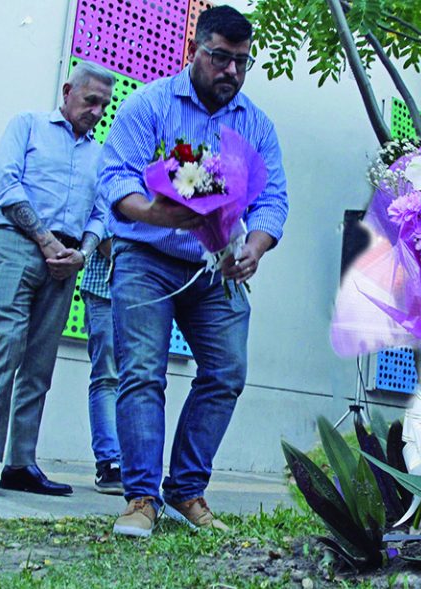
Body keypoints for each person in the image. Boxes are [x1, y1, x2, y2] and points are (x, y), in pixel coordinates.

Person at [97, 5, 288, 537]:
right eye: (221, 58)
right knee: (141, 372)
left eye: (241, 62)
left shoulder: (256, 124)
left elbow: (273, 198)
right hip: (145, 258)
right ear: (194, 50)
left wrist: (255, 245)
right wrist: (154, 211)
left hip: (216, 266)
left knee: (227, 372)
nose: (231, 71)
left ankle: (185, 488)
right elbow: (114, 178)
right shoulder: (149, 104)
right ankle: (140, 498)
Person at [0, 62, 115, 496]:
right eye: (90, 100)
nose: (96, 111)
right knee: (7, 347)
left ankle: (20, 463)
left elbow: (102, 212)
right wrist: (46, 240)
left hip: (67, 261)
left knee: (39, 365)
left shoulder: (100, 154)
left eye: (103, 106)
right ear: (67, 91)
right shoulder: (28, 126)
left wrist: (82, 253)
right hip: (17, 245)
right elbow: (4, 182)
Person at [79, 236, 123, 494]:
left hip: (143, 295)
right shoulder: (109, 192)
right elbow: (105, 237)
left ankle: (129, 462)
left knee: (138, 380)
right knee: (107, 377)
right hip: (104, 289)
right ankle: (109, 462)